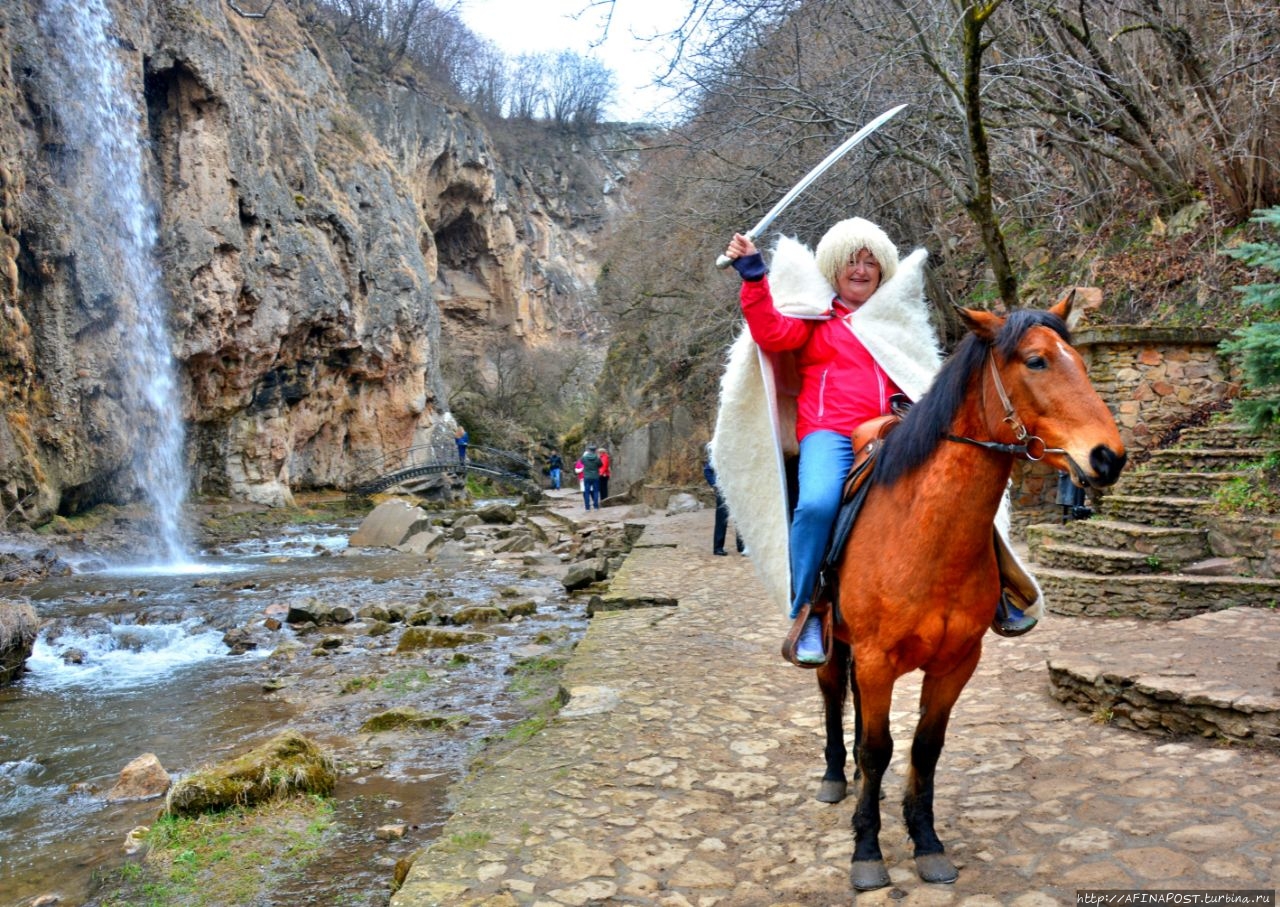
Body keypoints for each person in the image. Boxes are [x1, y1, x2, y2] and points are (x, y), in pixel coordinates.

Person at [722, 218, 1038, 667]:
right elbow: (770, 332)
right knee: (815, 505)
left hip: (896, 429)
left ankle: (1000, 589)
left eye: (871, 262)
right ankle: (810, 608)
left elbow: (923, 379)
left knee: (957, 493)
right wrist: (754, 276)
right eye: (852, 260)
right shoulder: (813, 321)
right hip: (828, 432)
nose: (861, 269)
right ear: (834, 267)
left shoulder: (897, 320)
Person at [704, 445, 744, 556]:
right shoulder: (716, 454)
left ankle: (741, 546)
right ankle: (718, 548)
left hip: (736, 489)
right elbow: (707, 470)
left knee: (739, 518)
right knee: (721, 520)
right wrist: (714, 485)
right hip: (722, 490)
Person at [579, 444, 603, 510]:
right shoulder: (597, 458)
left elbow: (581, 462)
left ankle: (587, 507)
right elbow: (600, 465)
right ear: (595, 450)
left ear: (589, 450)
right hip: (595, 476)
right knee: (595, 492)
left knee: (587, 492)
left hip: (587, 476)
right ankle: (596, 506)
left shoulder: (584, 458)